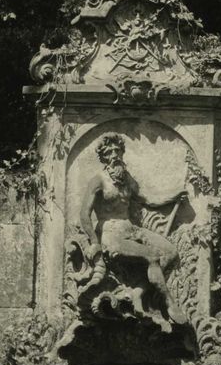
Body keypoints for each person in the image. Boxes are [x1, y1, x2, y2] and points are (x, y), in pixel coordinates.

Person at [80, 133, 187, 325]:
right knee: (153, 256)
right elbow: (84, 214)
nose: (115, 155)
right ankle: (169, 303)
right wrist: (94, 243)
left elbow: (147, 199)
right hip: (111, 236)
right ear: (103, 157)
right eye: (109, 152)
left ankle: (138, 292)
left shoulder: (127, 179)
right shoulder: (98, 181)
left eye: (117, 151)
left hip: (132, 230)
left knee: (170, 252)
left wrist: (173, 196)